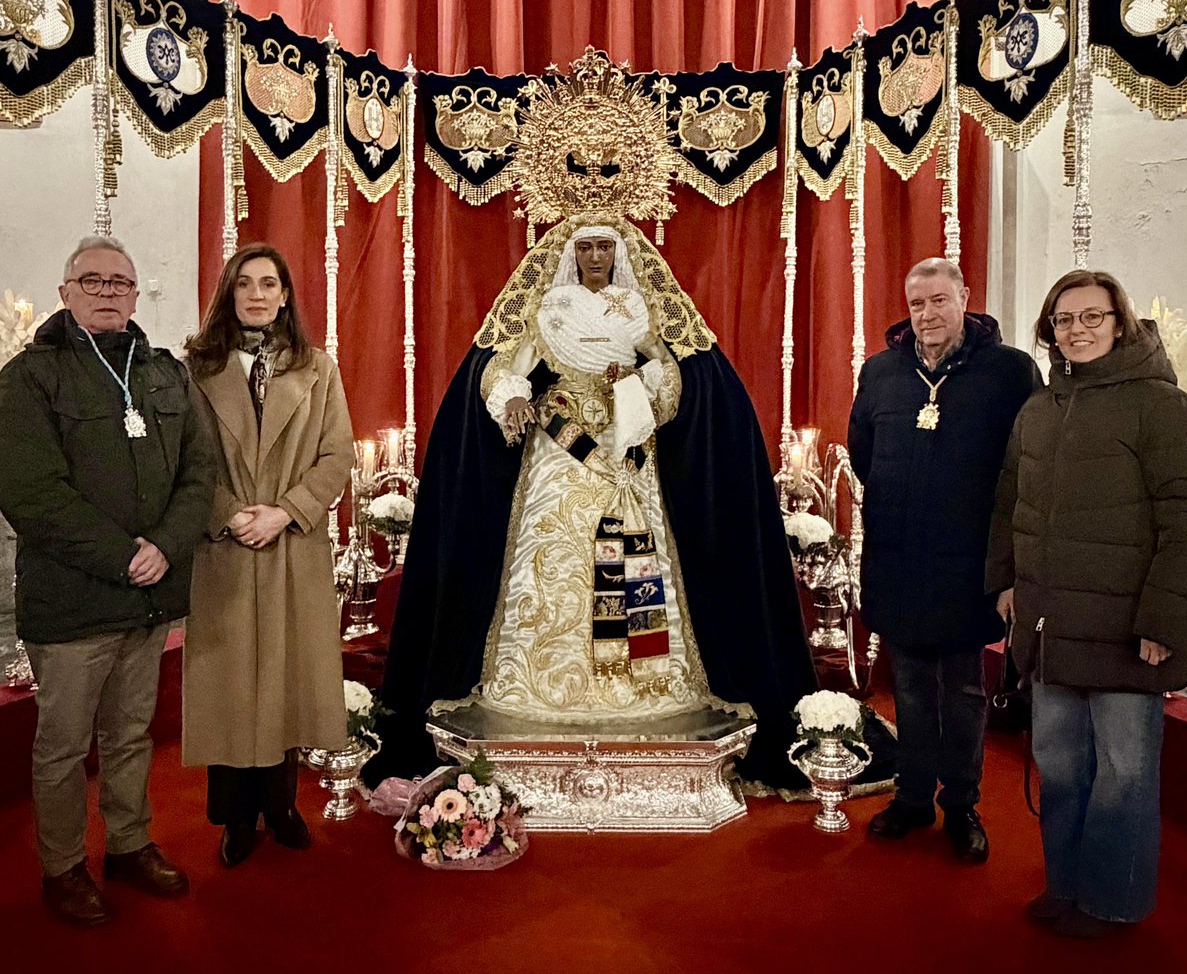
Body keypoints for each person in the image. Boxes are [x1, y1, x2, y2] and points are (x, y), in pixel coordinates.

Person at [365, 216, 819, 790]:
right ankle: (537, 682)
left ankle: (645, 680)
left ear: (619, 254)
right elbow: (506, 368)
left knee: (634, 554)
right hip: (559, 455)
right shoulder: (549, 308)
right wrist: (512, 400)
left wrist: (641, 382)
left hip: (625, 449)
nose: (597, 257)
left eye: (606, 247)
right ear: (572, 255)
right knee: (553, 562)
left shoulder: (637, 308)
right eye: (588, 248)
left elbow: (669, 373)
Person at [0, 236, 214, 926]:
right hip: (72, 602)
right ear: (65, 293)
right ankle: (63, 867)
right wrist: (125, 556)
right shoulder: (28, 379)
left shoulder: (164, 374)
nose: (106, 291)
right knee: (63, 748)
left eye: (119, 282)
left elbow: (199, 472)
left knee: (130, 736)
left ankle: (128, 845)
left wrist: (167, 547)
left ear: (134, 296)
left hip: (147, 599)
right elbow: (31, 494)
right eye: (91, 281)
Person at [987, 270, 1187, 937]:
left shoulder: (1163, 407)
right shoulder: (1039, 409)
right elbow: (1010, 505)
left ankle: (1113, 901)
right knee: (1060, 769)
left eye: (1091, 316)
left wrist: (1164, 621)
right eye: (1063, 319)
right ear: (1049, 329)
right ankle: (1067, 885)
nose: (1077, 330)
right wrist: (1007, 582)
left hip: (1129, 632)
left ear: (1119, 321)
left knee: (1124, 777)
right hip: (1052, 627)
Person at [848, 257, 1040, 862]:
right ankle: (911, 799)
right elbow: (863, 453)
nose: (927, 314)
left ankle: (961, 803)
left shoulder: (1009, 371)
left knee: (962, 687)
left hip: (969, 561)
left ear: (964, 298)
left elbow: (1025, 465)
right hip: (899, 556)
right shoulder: (881, 371)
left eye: (939, 300)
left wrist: (1010, 564)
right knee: (907, 684)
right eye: (916, 304)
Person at [182, 243, 354, 867]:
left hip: (292, 545)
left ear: (285, 297)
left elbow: (337, 453)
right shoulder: (195, 369)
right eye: (244, 284)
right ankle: (234, 818)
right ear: (229, 294)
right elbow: (186, 459)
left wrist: (285, 511)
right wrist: (230, 514)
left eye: (268, 284)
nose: (256, 294)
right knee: (230, 686)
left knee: (286, 679)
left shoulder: (319, 369)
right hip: (225, 547)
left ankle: (281, 806)